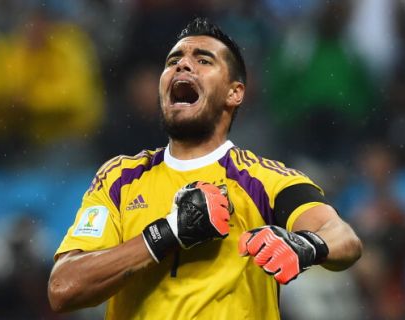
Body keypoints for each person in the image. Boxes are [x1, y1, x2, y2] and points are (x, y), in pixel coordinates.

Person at [48, 17, 362, 319]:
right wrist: (167, 233)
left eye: (203, 60)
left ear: (234, 92)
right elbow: (63, 288)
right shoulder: (119, 177)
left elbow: (342, 238)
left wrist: (306, 245)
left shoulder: (265, 180)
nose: (182, 65)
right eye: (173, 61)